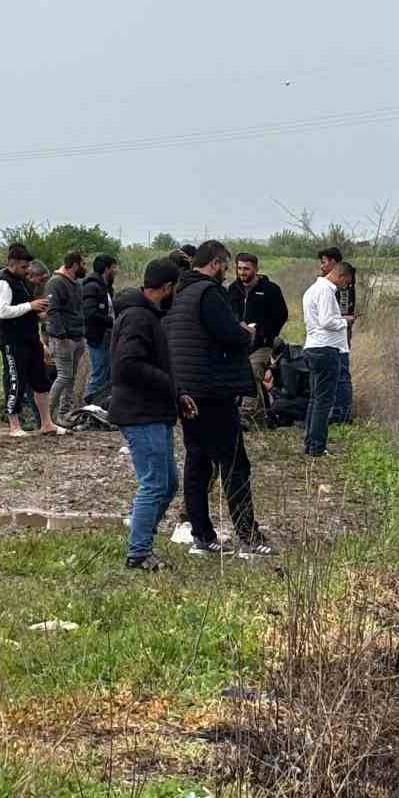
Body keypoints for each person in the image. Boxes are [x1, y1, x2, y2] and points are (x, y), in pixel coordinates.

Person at [166, 241, 272, 556]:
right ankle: (249, 537)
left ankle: (202, 535)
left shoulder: (181, 294)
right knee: (235, 463)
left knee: (198, 461)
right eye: (225, 265)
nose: (227, 272)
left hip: (189, 391)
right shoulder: (209, 293)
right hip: (213, 391)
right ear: (215, 263)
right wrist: (247, 333)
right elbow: (229, 334)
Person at [110, 257, 192, 572]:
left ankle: (141, 537)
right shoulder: (137, 318)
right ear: (168, 287)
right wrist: (169, 386)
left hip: (153, 411)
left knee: (169, 483)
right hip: (140, 413)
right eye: (176, 289)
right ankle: (139, 552)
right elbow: (127, 364)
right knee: (155, 483)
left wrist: (178, 392)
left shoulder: (147, 316)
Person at [0, 244, 61, 437]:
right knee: (16, 380)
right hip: (12, 341)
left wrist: (37, 314)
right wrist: (30, 305)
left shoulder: (22, 282)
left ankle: (47, 423)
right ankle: (14, 425)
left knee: (40, 381)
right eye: (24, 268)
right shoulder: (3, 282)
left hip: (30, 339)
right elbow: (3, 311)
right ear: (12, 264)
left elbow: (23, 310)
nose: (27, 271)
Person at [302, 259, 356, 457]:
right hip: (325, 350)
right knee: (324, 401)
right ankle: (317, 446)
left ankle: (310, 443)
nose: (346, 286)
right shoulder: (325, 291)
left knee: (316, 399)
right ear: (341, 275)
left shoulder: (312, 289)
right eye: (347, 281)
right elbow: (326, 321)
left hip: (314, 347)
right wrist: (345, 321)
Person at [227, 252, 288, 421]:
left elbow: (280, 316)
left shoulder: (271, 290)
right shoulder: (233, 289)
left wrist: (260, 331)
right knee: (244, 376)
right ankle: (261, 414)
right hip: (239, 342)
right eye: (239, 268)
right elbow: (228, 313)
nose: (242, 272)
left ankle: (247, 412)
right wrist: (239, 324)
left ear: (256, 269)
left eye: (246, 269)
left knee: (253, 372)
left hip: (263, 343)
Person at [43, 252, 87, 425]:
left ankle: (63, 415)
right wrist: (61, 335)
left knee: (71, 378)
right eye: (83, 263)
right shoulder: (56, 283)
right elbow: (52, 311)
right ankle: (46, 416)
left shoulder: (75, 283)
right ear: (75, 265)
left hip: (76, 337)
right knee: (64, 376)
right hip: (63, 340)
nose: (86, 267)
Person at [319, 247, 357, 424]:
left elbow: (339, 315)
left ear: (335, 264)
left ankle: (342, 413)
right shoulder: (325, 285)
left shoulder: (343, 285)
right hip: (328, 335)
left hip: (338, 334)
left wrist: (343, 322)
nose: (322, 266)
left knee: (341, 372)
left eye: (325, 262)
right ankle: (334, 410)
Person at [82, 254, 117, 404]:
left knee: (107, 374)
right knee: (99, 374)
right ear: (106, 268)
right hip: (98, 337)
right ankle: (88, 409)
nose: (116, 271)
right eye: (114, 267)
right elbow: (89, 313)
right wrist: (111, 322)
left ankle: (101, 407)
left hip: (106, 336)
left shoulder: (105, 286)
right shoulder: (92, 286)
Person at [263, 340, 311, 429]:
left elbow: (289, 394)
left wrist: (271, 389)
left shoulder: (286, 363)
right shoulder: (296, 354)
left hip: (306, 401)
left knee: (277, 406)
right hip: (309, 398)